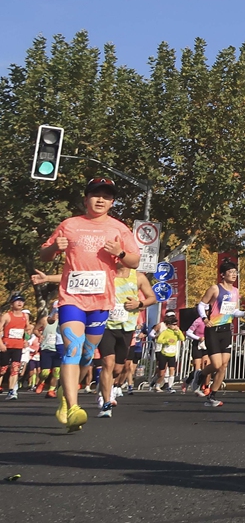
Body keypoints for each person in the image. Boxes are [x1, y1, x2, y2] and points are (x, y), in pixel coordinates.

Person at [38, 177, 140, 431]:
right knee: (72, 348)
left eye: (106, 196)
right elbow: (43, 253)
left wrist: (121, 252)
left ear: (112, 202)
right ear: (86, 199)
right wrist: (54, 249)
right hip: (71, 298)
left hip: (100, 301)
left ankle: (65, 391)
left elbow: (135, 261)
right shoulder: (70, 225)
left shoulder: (119, 228)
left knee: (86, 354)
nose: (100, 200)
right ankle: (72, 407)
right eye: (96, 195)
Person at [97, 264, 154, 416]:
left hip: (127, 327)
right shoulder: (105, 273)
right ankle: (106, 401)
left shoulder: (138, 277)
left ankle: (106, 387)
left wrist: (138, 304)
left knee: (117, 369)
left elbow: (152, 298)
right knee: (107, 363)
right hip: (106, 325)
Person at [193, 259, 244, 408]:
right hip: (213, 330)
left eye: (235, 272)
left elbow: (232, 311)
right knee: (216, 364)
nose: (234, 275)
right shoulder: (215, 289)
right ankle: (200, 374)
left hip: (226, 330)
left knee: (224, 365)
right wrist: (204, 319)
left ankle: (212, 397)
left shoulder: (235, 291)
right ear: (223, 274)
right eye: (230, 272)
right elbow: (201, 305)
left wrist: (244, 313)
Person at [1, 294, 32, 400]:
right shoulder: (7, 316)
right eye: (17, 301)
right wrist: (0, 344)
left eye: (22, 301)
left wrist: (26, 340)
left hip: (18, 346)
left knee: (15, 369)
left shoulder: (25, 316)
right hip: (6, 346)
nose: (20, 303)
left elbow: (27, 329)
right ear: (11, 303)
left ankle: (11, 391)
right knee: (3, 369)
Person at [152, 312, 185, 392]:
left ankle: (170, 387)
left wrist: (178, 331)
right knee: (161, 372)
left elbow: (182, 338)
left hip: (172, 354)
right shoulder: (165, 332)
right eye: (173, 324)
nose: (175, 326)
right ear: (169, 325)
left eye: (176, 324)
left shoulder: (176, 332)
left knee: (172, 370)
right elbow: (159, 340)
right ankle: (156, 384)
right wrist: (167, 340)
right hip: (164, 353)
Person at [35, 305, 60, 395]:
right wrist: (40, 335)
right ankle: (41, 382)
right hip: (46, 348)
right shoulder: (45, 320)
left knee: (57, 371)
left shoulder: (64, 321)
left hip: (58, 348)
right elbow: (35, 330)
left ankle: (51, 390)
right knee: (45, 372)